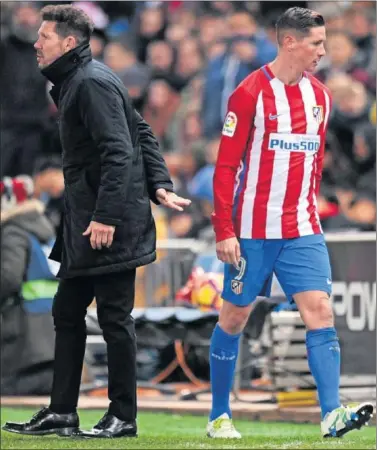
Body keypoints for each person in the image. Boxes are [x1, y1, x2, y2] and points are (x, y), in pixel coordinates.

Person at [2, 4, 190, 440]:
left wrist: (106, 215)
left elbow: (119, 150)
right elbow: (139, 130)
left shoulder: (89, 83)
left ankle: (123, 416)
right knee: (67, 311)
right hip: (87, 219)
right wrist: (159, 183)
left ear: (69, 43)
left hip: (107, 221)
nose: (36, 43)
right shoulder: (83, 80)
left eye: (44, 37)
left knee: (114, 318)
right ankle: (62, 412)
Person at [207, 7, 374, 439]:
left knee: (320, 312)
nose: (323, 51)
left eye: (324, 42)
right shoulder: (248, 94)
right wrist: (224, 230)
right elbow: (225, 168)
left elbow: (315, 163)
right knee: (233, 319)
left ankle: (331, 414)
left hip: (302, 226)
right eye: (316, 43)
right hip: (252, 231)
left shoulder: (320, 96)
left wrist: (312, 207)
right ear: (290, 42)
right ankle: (219, 416)